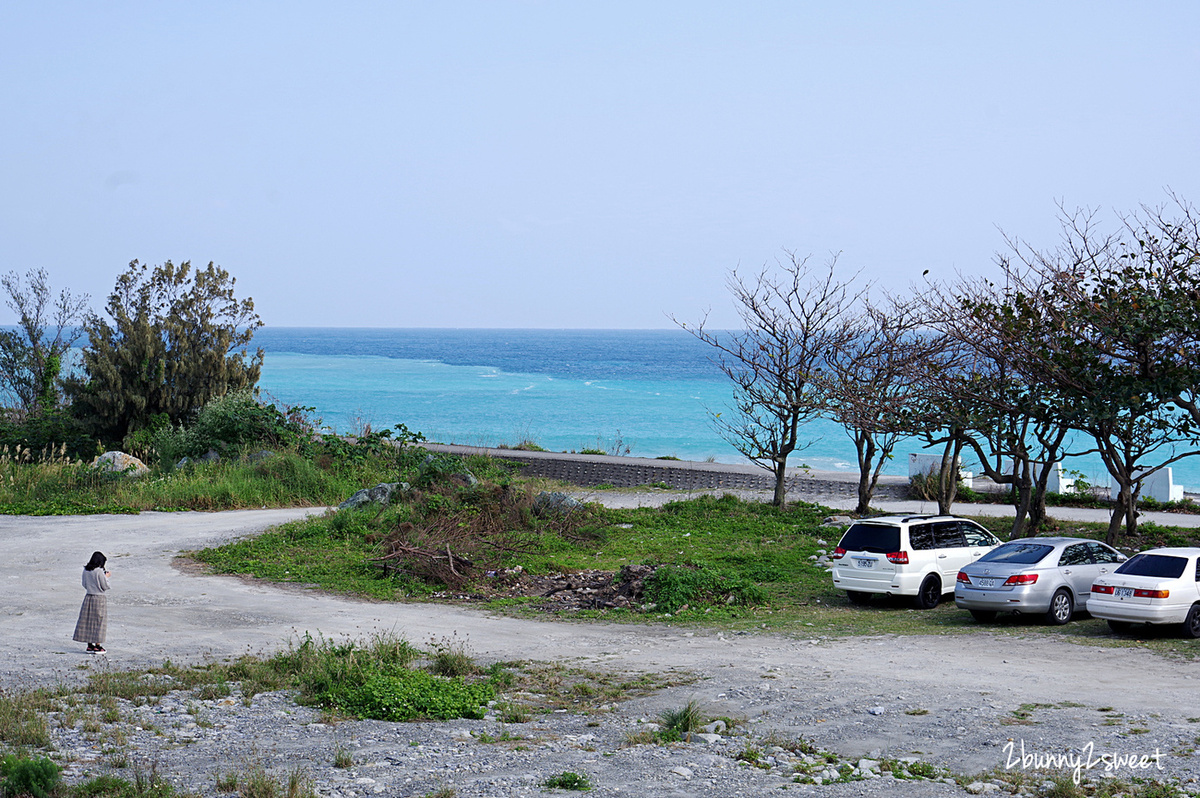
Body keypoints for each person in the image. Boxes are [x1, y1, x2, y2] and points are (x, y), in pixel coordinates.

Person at [72, 551, 110, 654]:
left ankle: (89, 645)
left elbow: (84, 584)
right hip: (99, 598)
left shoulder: (86, 570)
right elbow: (104, 586)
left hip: (88, 597)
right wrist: (106, 577)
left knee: (88, 620)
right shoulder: (99, 571)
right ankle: (98, 646)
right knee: (99, 621)